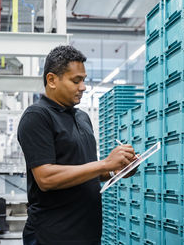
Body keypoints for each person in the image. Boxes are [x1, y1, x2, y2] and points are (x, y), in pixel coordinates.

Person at [17, 45, 137, 245]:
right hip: (53, 236)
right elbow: (46, 178)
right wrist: (106, 163)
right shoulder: (37, 117)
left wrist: (119, 170)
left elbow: (88, 172)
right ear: (52, 80)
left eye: (83, 80)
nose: (83, 87)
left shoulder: (82, 118)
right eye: (76, 80)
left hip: (87, 233)